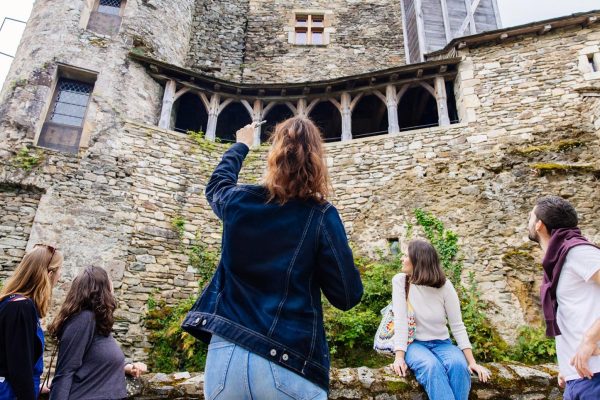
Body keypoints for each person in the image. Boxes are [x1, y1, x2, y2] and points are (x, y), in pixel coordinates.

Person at [181, 117, 363, 399]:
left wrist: (240, 146)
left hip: (225, 355)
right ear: (317, 160)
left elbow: (216, 185)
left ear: (274, 154)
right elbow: (347, 296)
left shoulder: (238, 201)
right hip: (288, 359)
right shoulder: (322, 216)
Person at [391, 239, 489, 400]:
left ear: (418, 260)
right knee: (431, 367)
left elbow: (457, 325)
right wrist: (399, 357)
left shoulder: (445, 286)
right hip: (414, 345)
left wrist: (472, 362)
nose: (402, 259)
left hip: (442, 343)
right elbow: (400, 321)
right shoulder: (400, 281)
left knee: (459, 366)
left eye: (405, 255)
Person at [527, 195, 600, 399]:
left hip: (595, 377)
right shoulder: (560, 259)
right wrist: (566, 365)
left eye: (530, 217)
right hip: (577, 378)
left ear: (540, 225)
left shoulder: (579, 252)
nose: (529, 222)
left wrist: (590, 340)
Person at [48, 266, 146, 400]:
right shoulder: (83, 320)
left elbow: (95, 359)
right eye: (109, 282)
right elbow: (65, 372)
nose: (112, 287)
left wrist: (126, 367)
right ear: (101, 288)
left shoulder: (97, 321)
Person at [0, 244, 63, 400]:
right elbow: (19, 369)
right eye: (59, 270)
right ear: (49, 274)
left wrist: (36, 387)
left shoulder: (11, 303)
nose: (60, 276)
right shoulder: (21, 308)